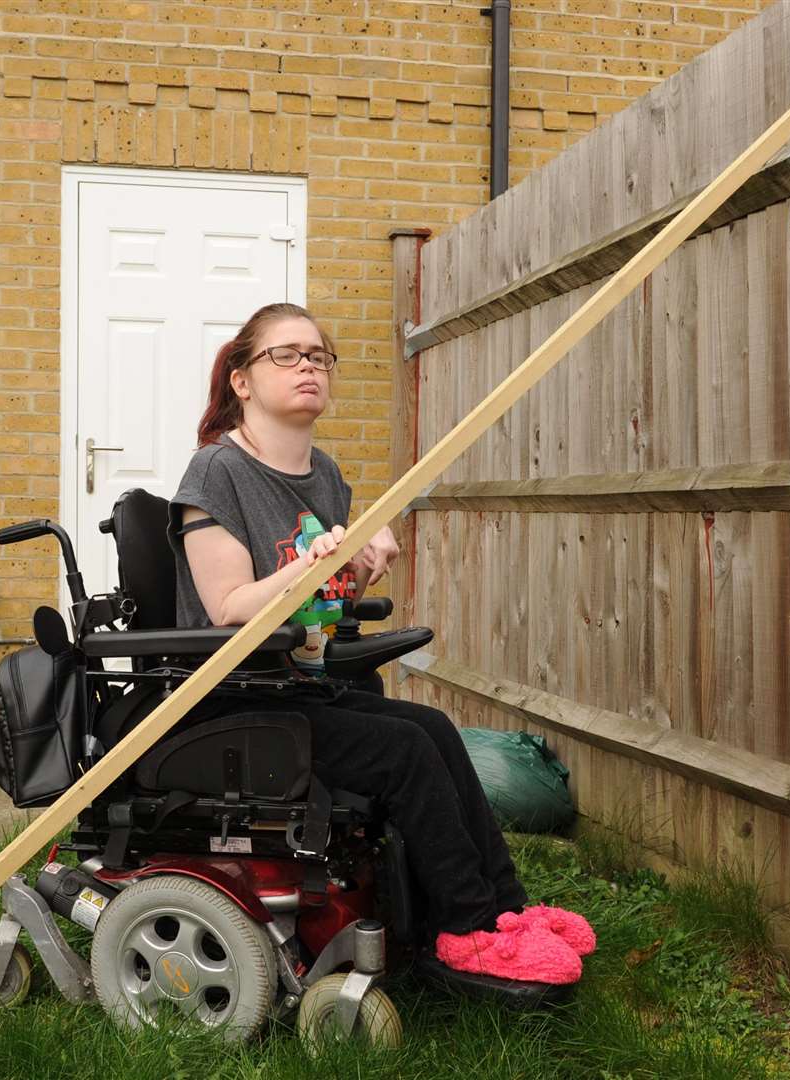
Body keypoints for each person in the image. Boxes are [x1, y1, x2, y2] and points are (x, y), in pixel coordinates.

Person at [166, 302, 595, 984]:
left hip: (299, 683)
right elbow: (229, 610)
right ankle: (463, 931)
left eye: (318, 355)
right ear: (241, 380)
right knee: (402, 751)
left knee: (432, 727)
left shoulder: (325, 477)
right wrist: (318, 563)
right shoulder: (217, 473)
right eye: (285, 353)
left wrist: (356, 567)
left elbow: (317, 612)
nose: (307, 365)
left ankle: (505, 915)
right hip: (230, 699)